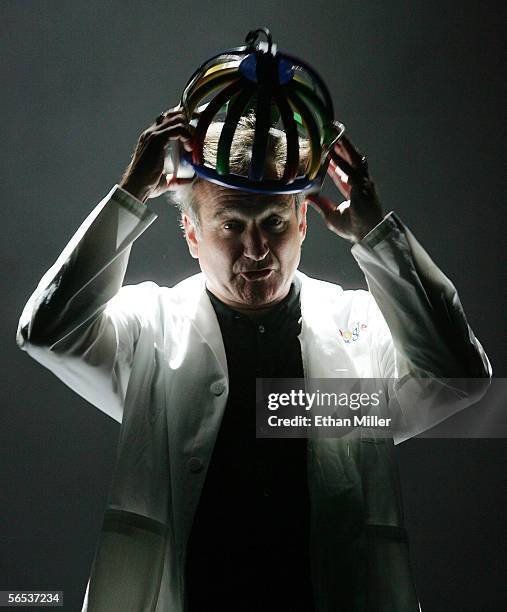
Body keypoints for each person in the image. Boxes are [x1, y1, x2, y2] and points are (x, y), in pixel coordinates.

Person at [17, 106, 491, 612]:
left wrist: (378, 237)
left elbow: (457, 377)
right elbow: (48, 330)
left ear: (303, 221)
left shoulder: (356, 333)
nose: (257, 248)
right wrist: (130, 195)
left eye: (273, 221)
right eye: (230, 225)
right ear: (192, 234)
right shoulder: (151, 329)